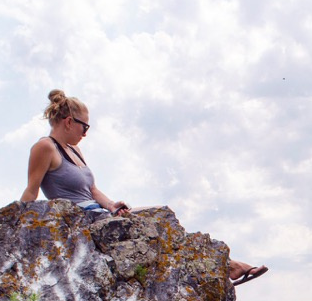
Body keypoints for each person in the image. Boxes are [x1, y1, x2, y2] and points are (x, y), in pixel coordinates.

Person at [22, 90, 268, 286]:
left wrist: (112, 205)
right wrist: (16, 229)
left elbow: (93, 189)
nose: (86, 133)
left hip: (99, 213)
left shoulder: (75, 150)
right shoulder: (45, 148)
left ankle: (222, 265)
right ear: (68, 122)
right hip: (80, 221)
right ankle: (228, 266)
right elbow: (31, 192)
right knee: (158, 220)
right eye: (84, 126)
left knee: (161, 213)